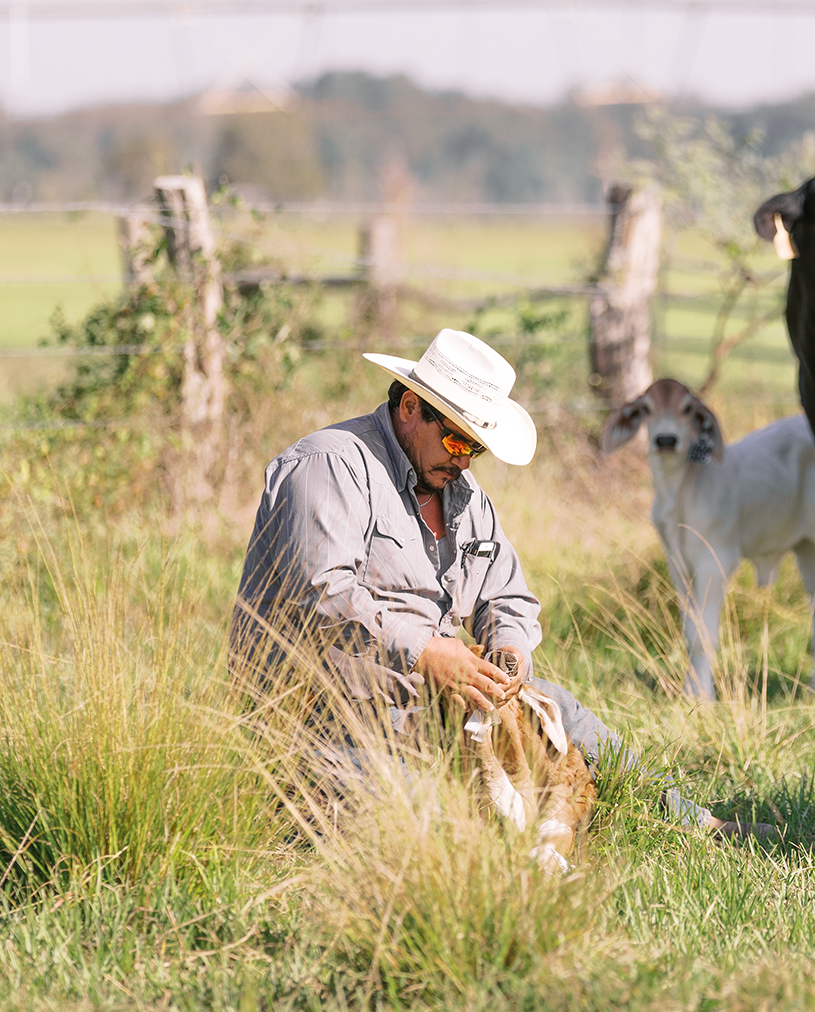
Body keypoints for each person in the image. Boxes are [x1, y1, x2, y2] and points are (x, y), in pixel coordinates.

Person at [232, 328, 757, 836]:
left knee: (563, 712)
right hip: (321, 722)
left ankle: (694, 823)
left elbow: (508, 594)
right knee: (433, 815)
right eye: (456, 438)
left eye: (475, 448)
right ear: (411, 407)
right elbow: (322, 595)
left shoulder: (459, 490)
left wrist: (510, 647)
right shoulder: (331, 465)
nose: (463, 460)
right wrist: (429, 653)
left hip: (423, 710)